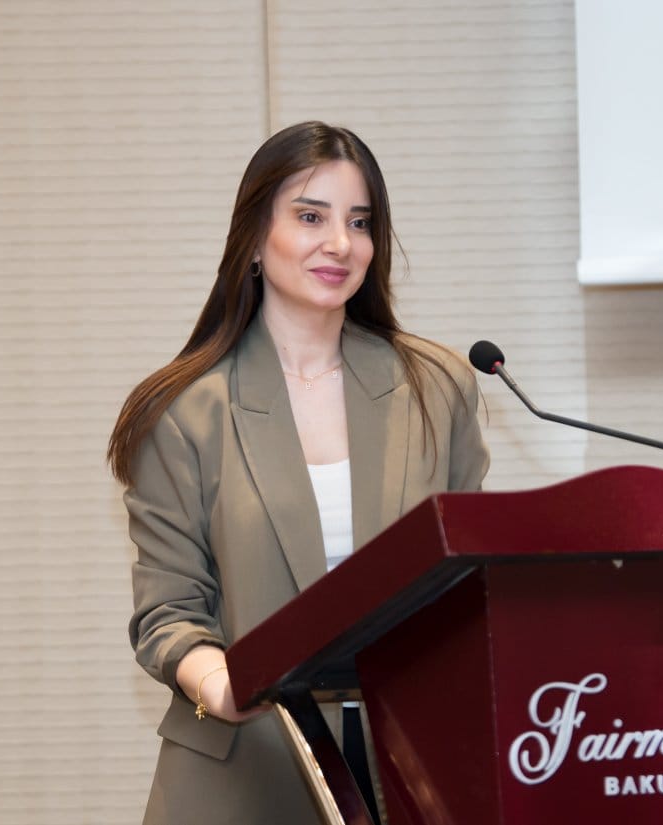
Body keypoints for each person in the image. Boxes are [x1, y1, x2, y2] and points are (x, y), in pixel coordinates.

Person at [107, 121, 490, 824]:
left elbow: (467, 584)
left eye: (359, 222)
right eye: (311, 216)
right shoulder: (183, 412)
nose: (340, 243)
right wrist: (219, 685)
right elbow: (169, 613)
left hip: (412, 768)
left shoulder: (437, 388)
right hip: (246, 768)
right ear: (255, 237)